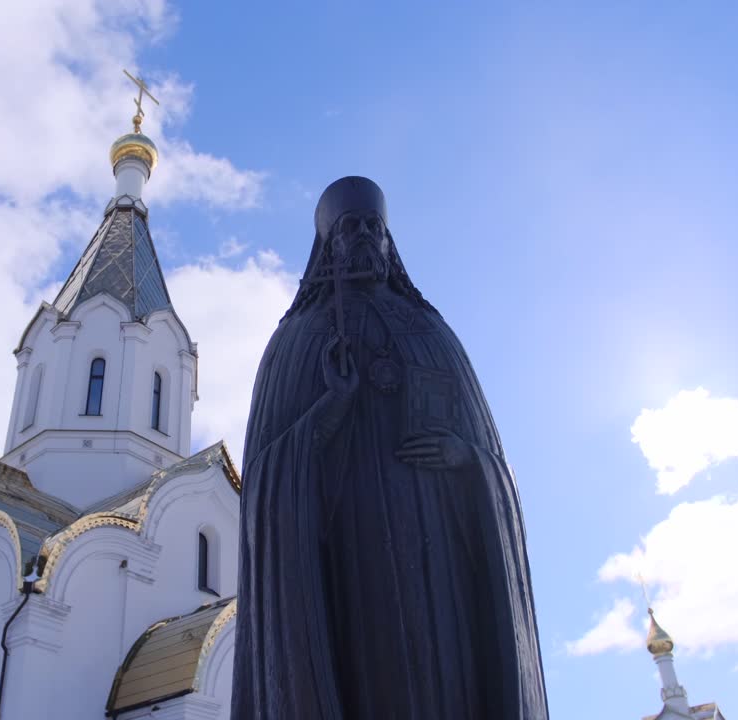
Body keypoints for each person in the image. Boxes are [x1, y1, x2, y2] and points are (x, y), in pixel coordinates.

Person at [232, 176, 549, 719]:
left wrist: (467, 461)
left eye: (373, 228)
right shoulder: (297, 339)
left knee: (452, 682)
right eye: (349, 227)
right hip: (355, 562)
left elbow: (495, 464)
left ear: (388, 242)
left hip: (443, 560)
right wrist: (328, 412)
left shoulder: (434, 331)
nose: (362, 237)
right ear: (329, 244)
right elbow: (264, 481)